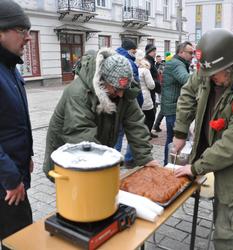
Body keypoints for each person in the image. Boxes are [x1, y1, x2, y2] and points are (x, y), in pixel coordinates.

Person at [173, 29, 233, 249]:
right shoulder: (212, 68)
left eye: (215, 75)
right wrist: (180, 132)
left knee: (229, 234)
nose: (209, 79)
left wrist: (197, 167)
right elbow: (188, 92)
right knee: (222, 216)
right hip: (218, 158)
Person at [43, 48, 159, 178]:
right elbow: (81, 135)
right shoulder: (78, 93)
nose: (121, 95)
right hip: (69, 156)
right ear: (102, 80)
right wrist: (106, 164)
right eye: (116, 89)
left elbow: (135, 124)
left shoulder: (123, 91)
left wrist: (146, 158)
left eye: (123, 89)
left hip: (93, 152)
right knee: (78, 190)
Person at [0, 0, 34, 245]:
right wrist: (11, 178)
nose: (28, 38)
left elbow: (15, 119)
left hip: (12, 172)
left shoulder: (10, 66)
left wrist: (28, 153)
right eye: (22, 31)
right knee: (20, 240)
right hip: (6, 182)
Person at [161, 41, 194, 166]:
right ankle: (172, 167)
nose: (192, 56)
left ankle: (167, 166)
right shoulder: (177, 64)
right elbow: (187, 80)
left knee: (171, 140)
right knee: (178, 141)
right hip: (175, 109)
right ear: (181, 52)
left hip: (171, 108)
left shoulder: (177, 62)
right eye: (190, 53)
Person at [114, 39, 143, 168]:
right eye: (134, 51)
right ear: (129, 50)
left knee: (117, 133)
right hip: (128, 104)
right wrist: (139, 104)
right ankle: (130, 159)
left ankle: (114, 161)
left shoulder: (112, 58)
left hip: (113, 105)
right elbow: (136, 88)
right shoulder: (130, 63)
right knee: (132, 130)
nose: (134, 53)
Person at [136, 50, 156, 135]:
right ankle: (145, 135)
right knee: (150, 116)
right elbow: (151, 85)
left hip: (136, 97)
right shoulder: (145, 70)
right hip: (145, 97)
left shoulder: (134, 67)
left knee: (139, 118)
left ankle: (139, 134)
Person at [145, 44, 160, 138]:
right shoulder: (147, 62)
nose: (155, 53)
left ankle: (148, 131)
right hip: (149, 90)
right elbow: (149, 77)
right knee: (150, 113)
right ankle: (146, 132)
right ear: (149, 52)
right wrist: (157, 85)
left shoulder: (151, 61)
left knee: (152, 111)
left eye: (155, 51)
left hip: (152, 90)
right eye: (153, 51)